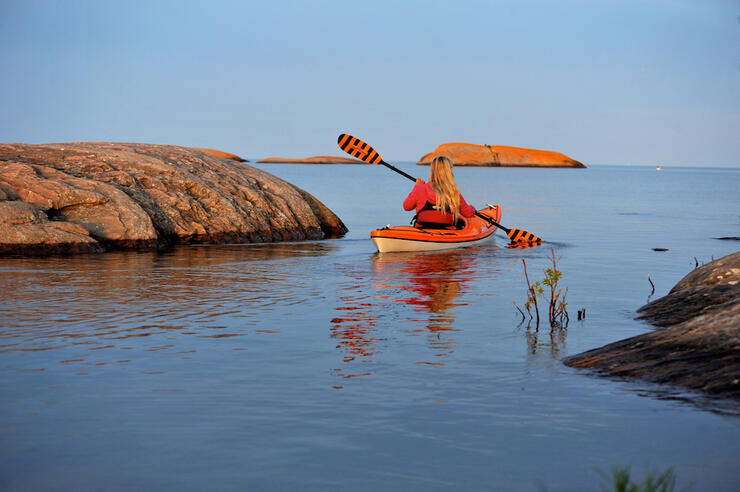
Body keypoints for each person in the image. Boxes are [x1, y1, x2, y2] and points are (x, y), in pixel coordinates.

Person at [403, 155, 476, 229]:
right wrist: (473, 208)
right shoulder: (453, 191)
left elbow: (406, 207)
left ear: (432, 171)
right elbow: (468, 213)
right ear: (449, 172)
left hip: (422, 230)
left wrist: (416, 187)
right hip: (447, 232)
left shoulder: (419, 188)